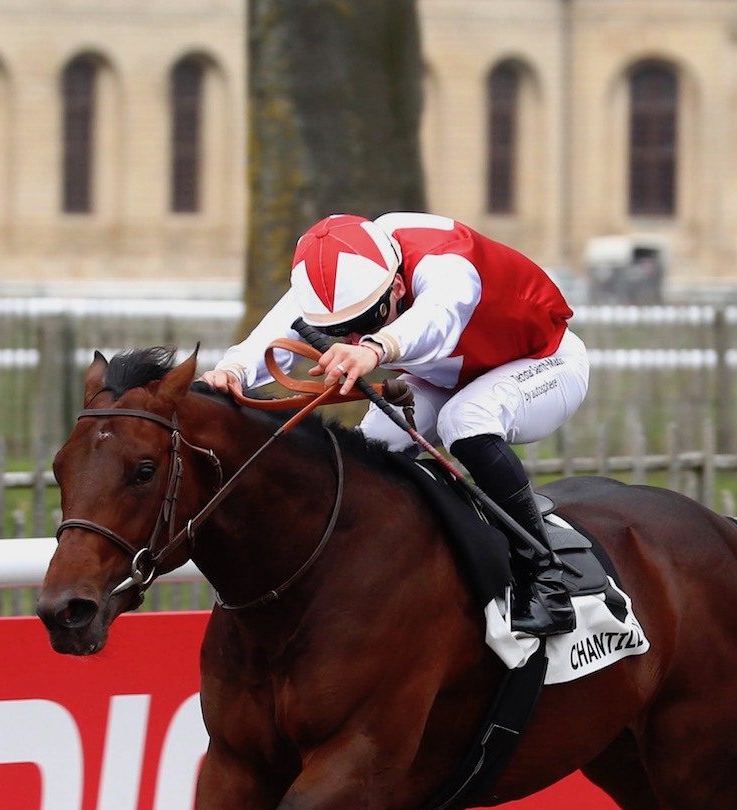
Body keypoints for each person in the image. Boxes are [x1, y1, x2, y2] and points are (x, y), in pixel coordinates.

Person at [202, 212, 588, 636]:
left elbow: (441, 316)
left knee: (466, 419)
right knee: (366, 453)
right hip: (442, 378)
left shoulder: (445, 262)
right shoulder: (345, 274)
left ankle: (546, 578)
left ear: (398, 287)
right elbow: (273, 332)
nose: (349, 340)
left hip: (544, 362)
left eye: (362, 324)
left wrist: (377, 347)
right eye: (337, 332)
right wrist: (232, 372)